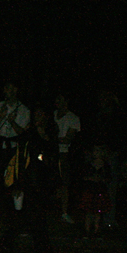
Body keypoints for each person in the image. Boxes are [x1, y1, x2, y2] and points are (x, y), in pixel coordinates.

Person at [0, 105, 57, 253]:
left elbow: (51, 156)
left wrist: (45, 140)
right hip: (29, 180)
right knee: (32, 215)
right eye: (36, 114)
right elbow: (22, 159)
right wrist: (18, 183)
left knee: (32, 216)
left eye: (40, 114)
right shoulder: (29, 134)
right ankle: (41, 247)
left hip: (41, 180)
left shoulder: (49, 132)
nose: (38, 117)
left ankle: (11, 243)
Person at [0, 81, 30, 220]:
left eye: (9, 88)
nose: (5, 91)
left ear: (15, 90)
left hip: (14, 149)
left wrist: (11, 121)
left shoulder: (23, 110)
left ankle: (14, 213)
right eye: (5, 88)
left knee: (13, 180)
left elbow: (22, 132)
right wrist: (1, 117)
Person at [53, 94, 80, 224]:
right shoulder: (51, 115)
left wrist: (52, 139)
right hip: (49, 154)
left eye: (60, 99)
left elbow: (68, 139)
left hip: (63, 154)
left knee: (64, 184)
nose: (57, 101)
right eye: (56, 99)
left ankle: (64, 212)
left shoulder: (73, 118)